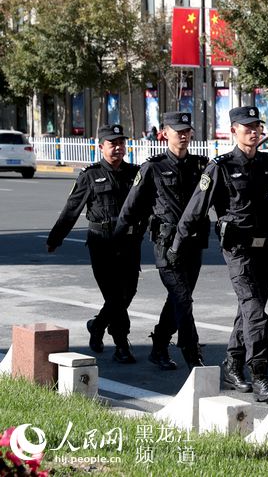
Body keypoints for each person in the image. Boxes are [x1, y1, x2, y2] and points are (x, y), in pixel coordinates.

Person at [169, 106, 268, 402]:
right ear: (233, 131)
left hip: (266, 249)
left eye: (257, 127)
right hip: (238, 251)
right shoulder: (221, 167)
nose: (253, 132)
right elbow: (195, 208)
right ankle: (261, 374)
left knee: (248, 310)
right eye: (247, 127)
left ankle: (233, 364)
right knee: (254, 310)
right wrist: (177, 244)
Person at [114, 112, 209, 370]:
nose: (183, 134)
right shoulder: (153, 168)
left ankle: (159, 346)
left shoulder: (201, 166)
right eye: (177, 130)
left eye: (187, 130)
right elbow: (130, 208)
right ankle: (192, 353)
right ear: (164, 133)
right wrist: (117, 241)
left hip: (193, 243)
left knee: (180, 298)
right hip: (166, 245)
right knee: (182, 299)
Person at [46, 124, 143, 364]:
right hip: (102, 245)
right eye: (113, 144)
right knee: (115, 296)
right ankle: (122, 344)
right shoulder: (90, 175)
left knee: (127, 292)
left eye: (121, 143)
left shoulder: (135, 174)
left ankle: (97, 325)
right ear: (101, 147)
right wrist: (56, 237)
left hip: (129, 243)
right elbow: (71, 209)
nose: (118, 148)